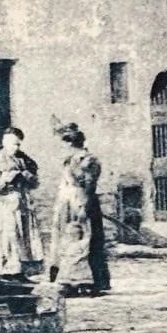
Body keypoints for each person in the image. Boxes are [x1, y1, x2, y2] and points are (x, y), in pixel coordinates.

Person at [50, 122, 110, 295]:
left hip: (83, 201)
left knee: (86, 239)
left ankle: (90, 282)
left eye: (64, 146)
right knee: (67, 240)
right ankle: (67, 280)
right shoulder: (68, 161)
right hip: (67, 202)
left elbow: (90, 186)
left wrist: (85, 207)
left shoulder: (89, 161)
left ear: (71, 144)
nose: (63, 149)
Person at [0, 127, 43, 281]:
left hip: (22, 202)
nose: (15, 148)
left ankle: (21, 270)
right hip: (5, 203)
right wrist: (6, 178)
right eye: (12, 144)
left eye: (18, 144)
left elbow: (35, 183)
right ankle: (6, 271)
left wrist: (27, 176)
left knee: (23, 236)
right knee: (8, 236)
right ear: (4, 142)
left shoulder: (24, 160)